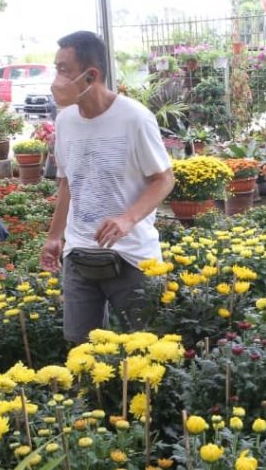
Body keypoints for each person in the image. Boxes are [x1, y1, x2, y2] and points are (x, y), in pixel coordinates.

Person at [40, 31, 173, 344]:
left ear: (91, 75)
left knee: (144, 350)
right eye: (55, 68)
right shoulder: (65, 121)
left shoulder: (134, 118)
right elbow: (67, 183)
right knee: (80, 349)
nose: (56, 79)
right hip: (78, 255)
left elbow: (164, 178)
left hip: (132, 258)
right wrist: (53, 237)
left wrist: (127, 218)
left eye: (64, 70)